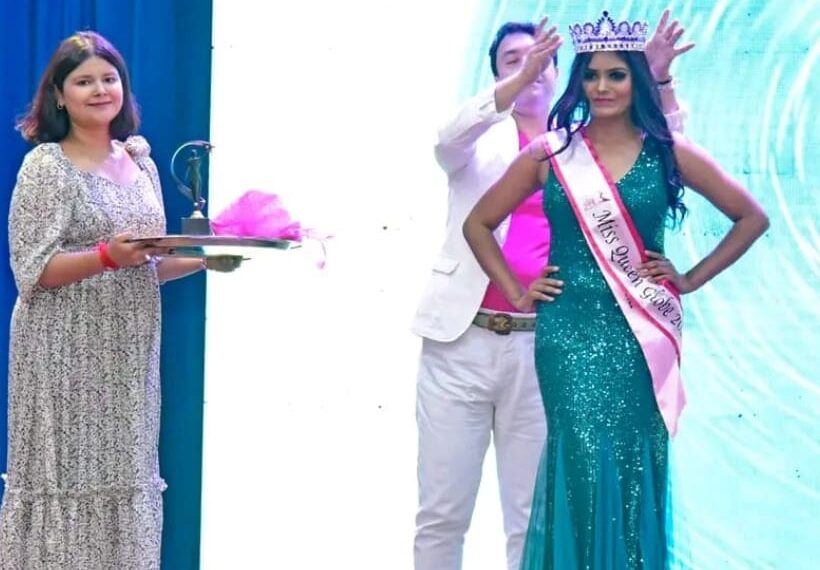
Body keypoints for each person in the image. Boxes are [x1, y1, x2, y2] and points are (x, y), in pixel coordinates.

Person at [463, 10, 769, 569]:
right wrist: (518, 290)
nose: (602, 87)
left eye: (617, 75)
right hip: (567, 336)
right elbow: (477, 224)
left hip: (639, 337)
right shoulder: (551, 152)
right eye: (592, 75)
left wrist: (689, 279)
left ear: (637, 80)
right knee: (579, 459)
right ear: (578, 80)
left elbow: (751, 217)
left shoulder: (669, 150)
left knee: (633, 463)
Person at [412, 11, 694, 570]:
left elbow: (669, 157)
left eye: (541, 60)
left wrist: (659, 78)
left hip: (548, 343)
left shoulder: (590, 147)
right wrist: (518, 80)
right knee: (442, 512)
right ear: (496, 75)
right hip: (461, 343)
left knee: (533, 512)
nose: (530, 68)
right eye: (513, 61)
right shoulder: (482, 144)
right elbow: (447, 139)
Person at [0, 31, 236, 570]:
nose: (100, 90)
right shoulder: (47, 166)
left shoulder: (139, 161)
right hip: (63, 352)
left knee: (125, 475)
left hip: (128, 353)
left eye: (109, 79)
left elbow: (145, 267)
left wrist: (206, 259)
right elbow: (32, 271)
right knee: (67, 478)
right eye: (84, 81)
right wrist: (107, 256)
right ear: (59, 95)